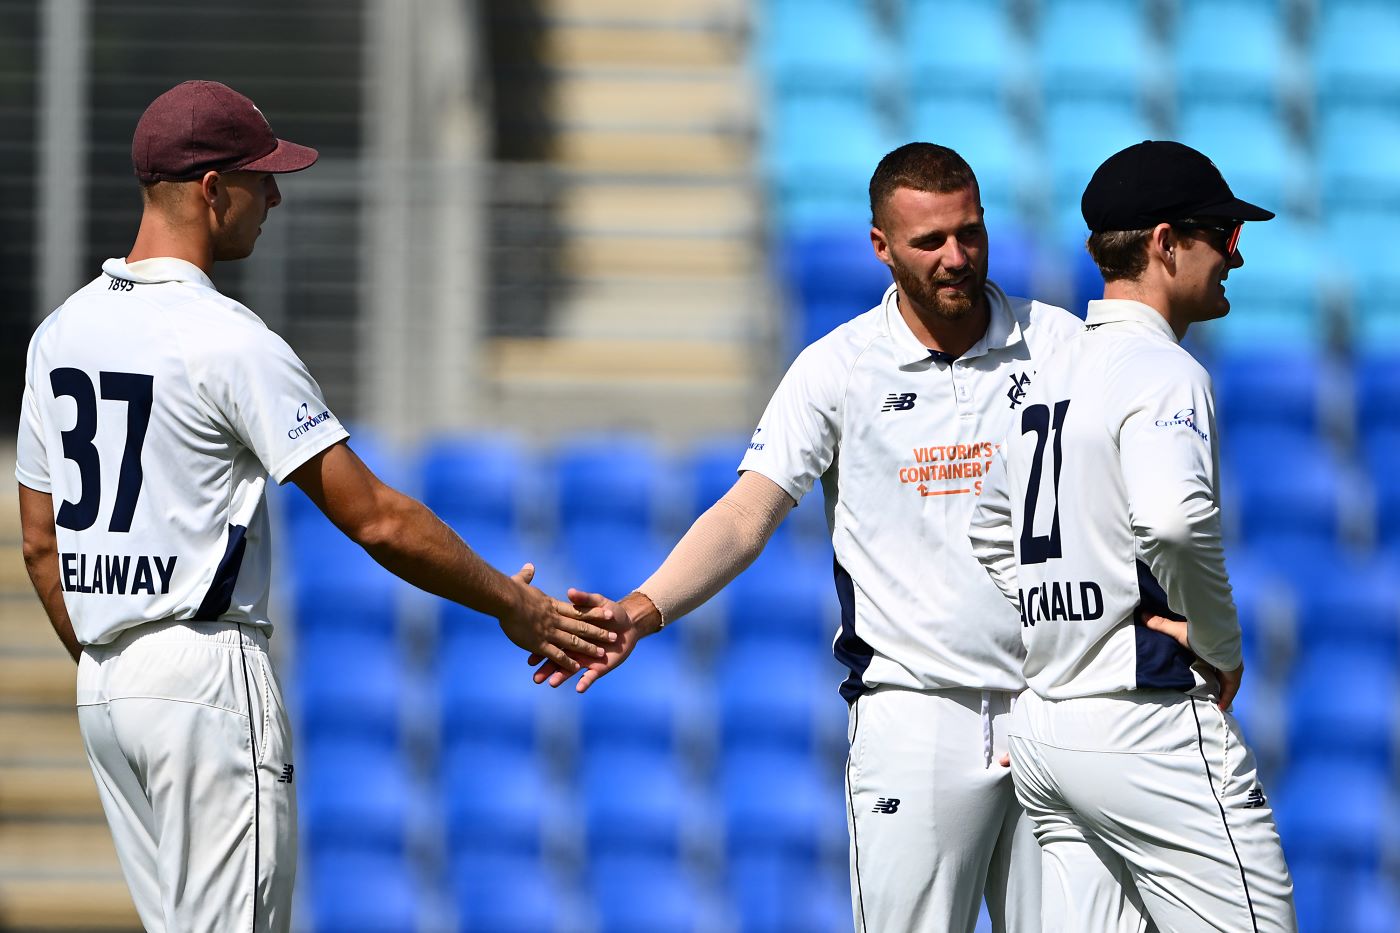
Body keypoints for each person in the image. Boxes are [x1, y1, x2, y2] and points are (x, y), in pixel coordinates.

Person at [15, 80, 615, 933]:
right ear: (213, 189)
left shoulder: (59, 333)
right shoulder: (229, 338)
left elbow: (40, 545)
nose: (276, 196)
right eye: (260, 178)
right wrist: (516, 605)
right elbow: (376, 518)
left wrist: (117, 660)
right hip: (201, 674)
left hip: (106, 682)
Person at [533, 143, 1086, 932]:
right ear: (881, 246)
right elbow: (744, 515)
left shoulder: (1062, 345)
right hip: (916, 713)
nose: (956, 257)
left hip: (1056, 705)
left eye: (969, 232)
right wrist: (641, 610)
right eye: (929, 241)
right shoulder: (838, 367)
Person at [968, 140, 1298, 931]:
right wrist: (1219, 643)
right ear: (1165, 242)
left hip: (1047, 725)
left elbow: (987, 532)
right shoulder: (1165, 371)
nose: (1235, 255)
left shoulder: (1041, 377)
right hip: (1142, 719)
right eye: (1222, 233)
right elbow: (1173, 522)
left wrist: (1063, 615)